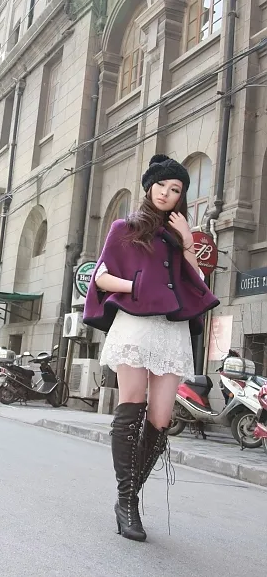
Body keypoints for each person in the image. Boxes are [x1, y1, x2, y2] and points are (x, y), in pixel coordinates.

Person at [83, 154, 219, 542]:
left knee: (160, 421)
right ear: (149, 187)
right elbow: (101, 277)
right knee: (132, 406)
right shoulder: (124, 228)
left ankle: (128, 496)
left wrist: (188, 240)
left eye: (175, 189)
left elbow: (196, 280)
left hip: (171, 330)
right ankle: (128, 504)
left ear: (181, 197)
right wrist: (136, 286)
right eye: (161, 185)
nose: (166, 193)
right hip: (135, 325)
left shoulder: (178, 236)